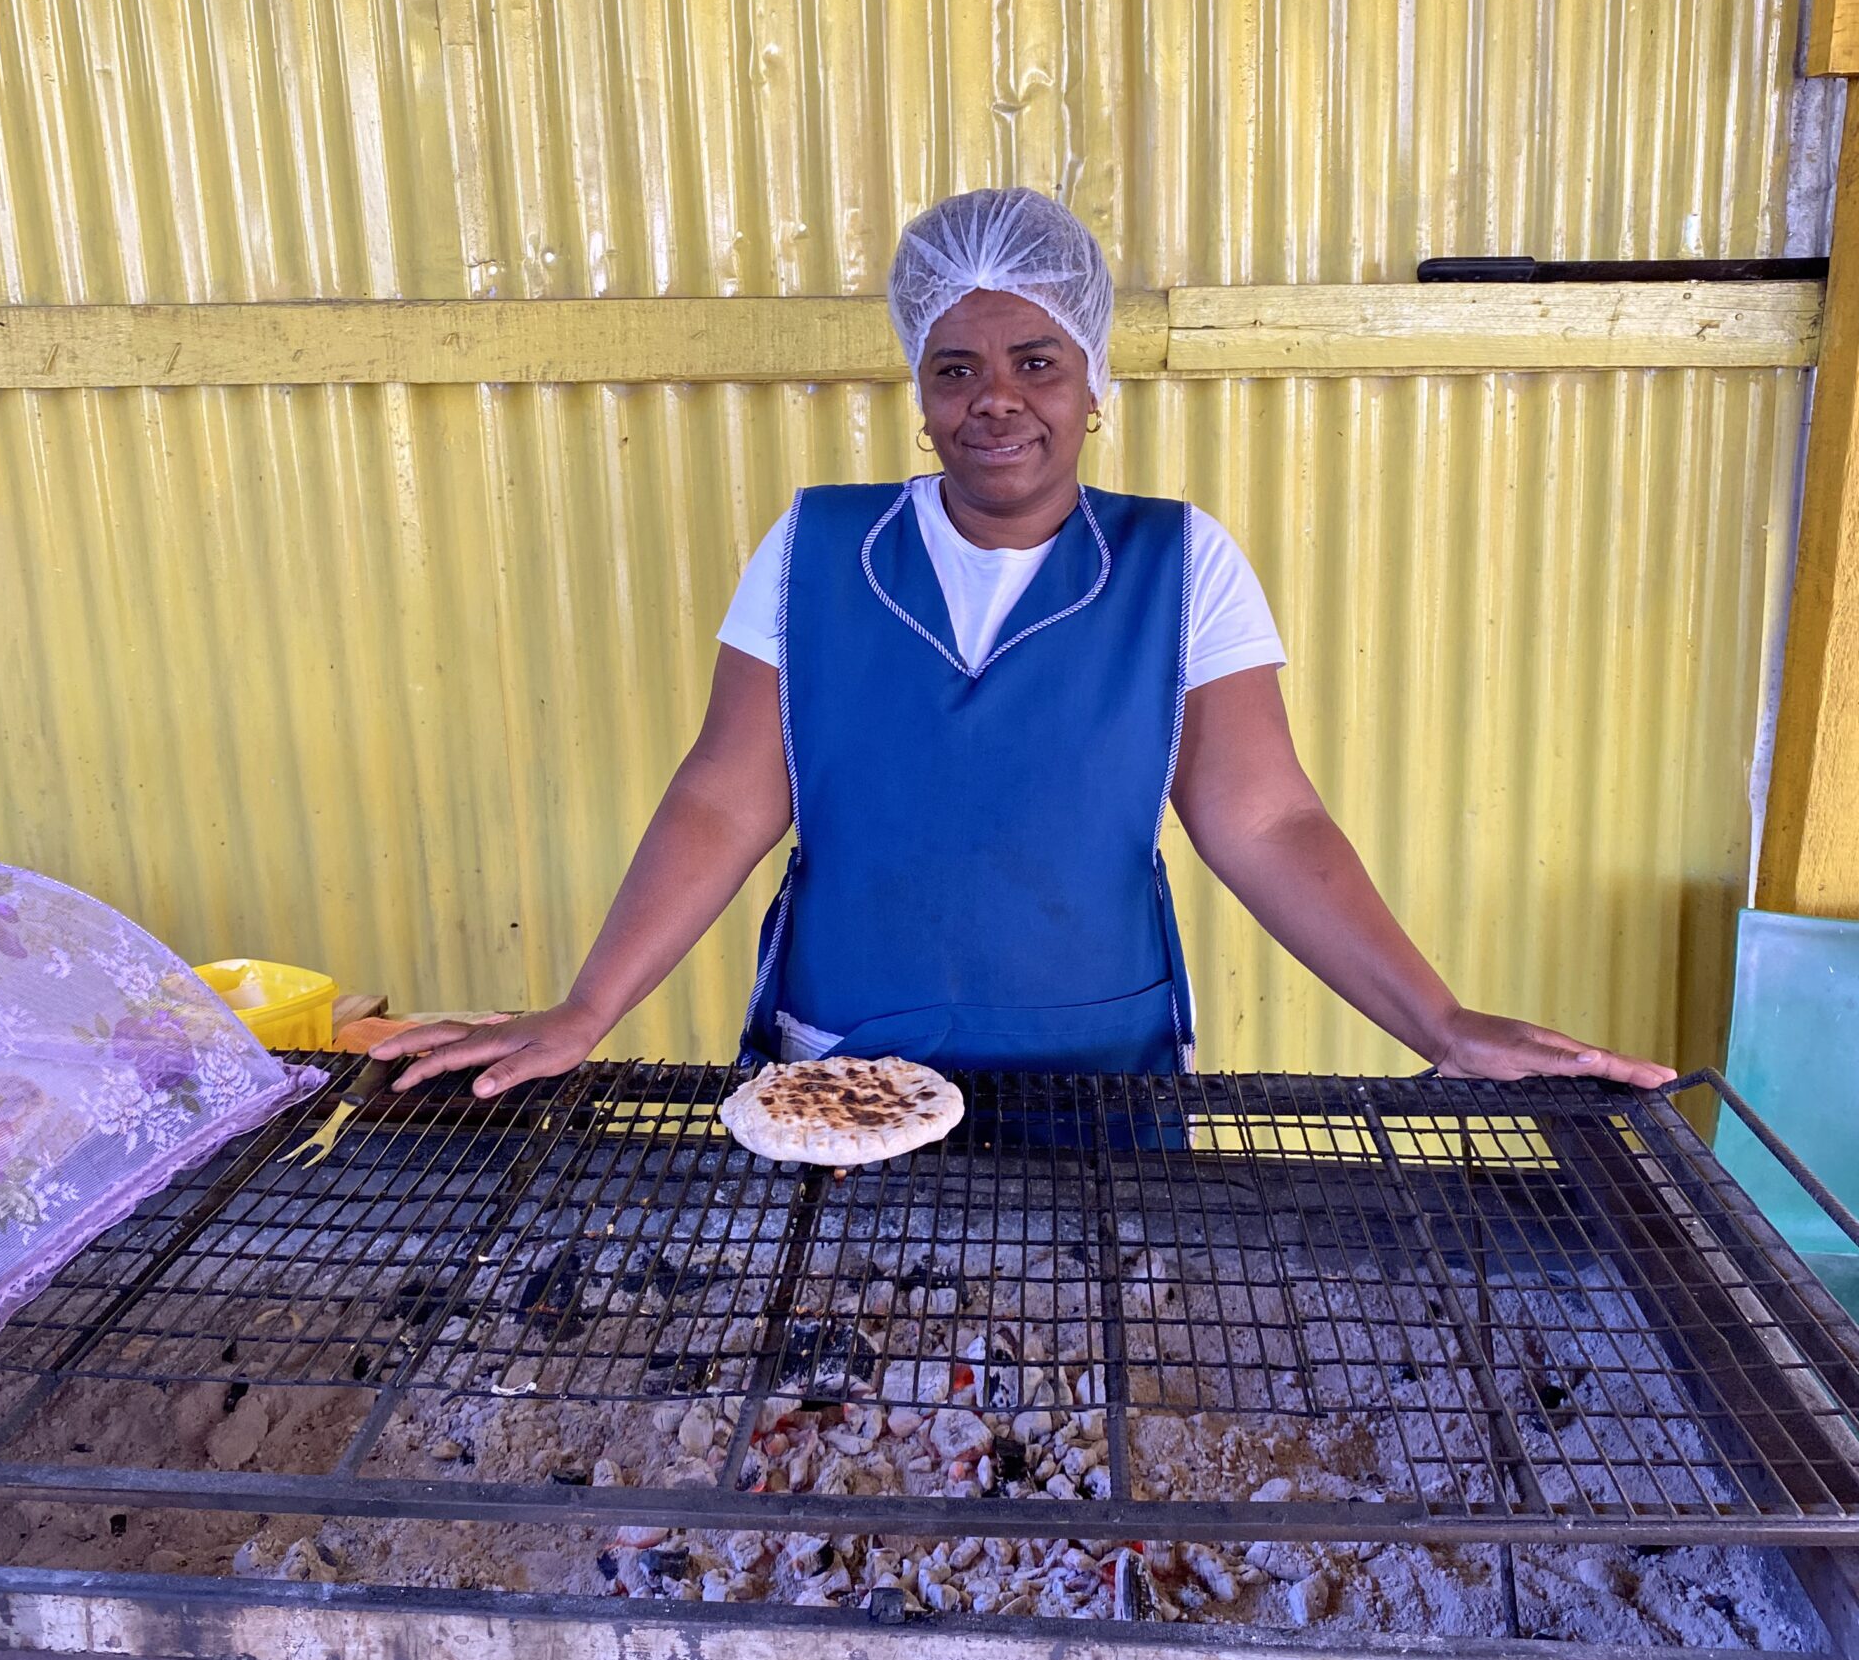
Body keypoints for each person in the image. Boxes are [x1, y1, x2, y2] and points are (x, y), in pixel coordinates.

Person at [380, 188, 1674, 1097]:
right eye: (954, 368)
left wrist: (1437, 1022)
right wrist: (585, 1008)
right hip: (844, 1077)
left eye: (1036, 361)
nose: (995, 398)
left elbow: (1268, 822)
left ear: (1094, 383)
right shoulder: (822, 551)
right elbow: (726, 796)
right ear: (919, 385)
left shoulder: (1178, 565)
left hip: (1093, 1087)